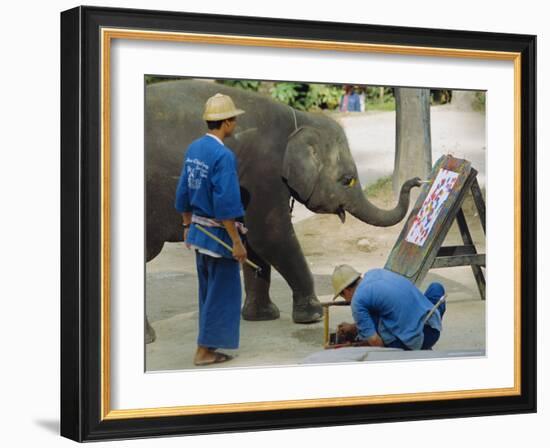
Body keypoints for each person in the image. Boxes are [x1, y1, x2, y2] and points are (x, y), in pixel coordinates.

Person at [174, 93, 247, 366]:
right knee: (223, 295)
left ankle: (206, 346)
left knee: (207, 292)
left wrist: (186, 224)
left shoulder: (194, 148)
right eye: (234, 120)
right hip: (218, 239)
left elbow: (183, 190)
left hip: (198, 233)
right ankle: (204, 351)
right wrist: (236, 242)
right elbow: (226, 203)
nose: (235, 124)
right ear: (226, 123)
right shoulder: (223, 155)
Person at [332, 265, 446, 350]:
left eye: (343, 296)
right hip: (432, 324)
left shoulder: (357, 302)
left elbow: (375, 342)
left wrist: (357, 341)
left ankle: (416, 345)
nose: (347, 300)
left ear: (346, 290)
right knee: (436, 288)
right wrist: (355, 327)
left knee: (371, 322)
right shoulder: (374, 273)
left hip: (420, 339)